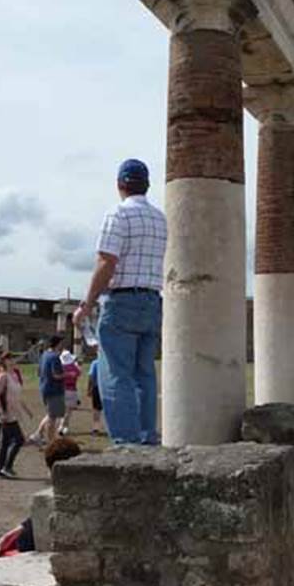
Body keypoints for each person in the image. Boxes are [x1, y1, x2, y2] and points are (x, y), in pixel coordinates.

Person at [73, 159, 167, 447]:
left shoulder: (118, 214)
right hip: (152, 299)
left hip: (122, 299)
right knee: (144, 373)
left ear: (120, 185)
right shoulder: (160, 218)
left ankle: (127, 441)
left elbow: (107, 262)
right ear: (147, 185)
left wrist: (87, 304)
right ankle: (147, 435)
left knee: (115, 372)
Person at [0, 351, 33, 479]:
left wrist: (27, 410)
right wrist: (1, 412)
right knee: (19, 440)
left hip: (15, 412)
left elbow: (18, 395)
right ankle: (7, 466)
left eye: (12, 358)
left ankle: (2, 469)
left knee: (5, 442)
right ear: (3, 362)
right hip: (7, 414)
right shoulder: (2, 376)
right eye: (8, 359)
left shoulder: (14, 375)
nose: (11, 361)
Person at [33, 336, 65, 445]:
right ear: (58, 344)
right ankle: (51, 440)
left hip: (45, 388)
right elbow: (56, 375)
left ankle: (39, 434)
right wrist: (68, 374)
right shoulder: (54, 357)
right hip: (54, 390)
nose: (62, 346)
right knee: (53, 417)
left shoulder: (44, 355)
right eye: (61, 343)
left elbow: (38, 372)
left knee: (50, 414)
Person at [58, 351, 82, 436]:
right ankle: (63, 427)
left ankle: (63, 426)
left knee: (63, 410)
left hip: (61, 390)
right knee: (68, 411)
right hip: (72, 389)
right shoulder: (73, 367)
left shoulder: (60, 367)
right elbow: (79, 373)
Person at [87, 354, 103, 436]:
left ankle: (96, 428)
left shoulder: (95, 363)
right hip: (107, 387)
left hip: (97, 388)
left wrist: (89, 388)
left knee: (96, 409)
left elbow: (91, 376)